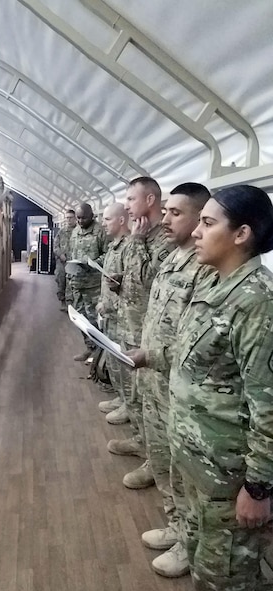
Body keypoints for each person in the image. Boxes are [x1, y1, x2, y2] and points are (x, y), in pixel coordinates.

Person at [128, 184, 273, 591]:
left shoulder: (256, 304)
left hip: (228, 478)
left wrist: (258, 488)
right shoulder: (214, 285)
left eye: (207, 223)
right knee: (202, 566)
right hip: (198, 462)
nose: (195, 231)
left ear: (241, 234)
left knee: (223, 577)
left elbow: (269, 406)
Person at [123, 182, 213, 579]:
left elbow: (197, 342)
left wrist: (152, 355)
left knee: (181, 468)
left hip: (178, 383)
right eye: (168, 211)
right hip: (156, 378)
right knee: (164, 461)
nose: (166, 219)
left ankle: (188, 539)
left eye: (176, 213)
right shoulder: (175, 258)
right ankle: (177, 526)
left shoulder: (205, 267)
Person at [116, 177, 176, 491]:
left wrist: (137, 243)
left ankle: (156, 463)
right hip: (136, 321)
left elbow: (148, 282)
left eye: (131, 198)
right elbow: (130, 275)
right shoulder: (142, 234)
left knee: (154, 402)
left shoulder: (163, 240)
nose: (126, 205)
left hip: (150, 332)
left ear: (150, 199)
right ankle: (144, 445)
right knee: (141, 395)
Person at [94, 203, 129, 417]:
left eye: (107, 219)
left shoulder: (128, 248)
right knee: (114, 361)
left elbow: (131, 287)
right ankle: (122, 397)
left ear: (121, 220)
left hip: (121, 317)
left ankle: (129, 407)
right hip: (109, 313)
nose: (103, 223)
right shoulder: (113, 246)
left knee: (124, 363)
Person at [66, 203, 106, 361]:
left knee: (95, 321)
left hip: (93, 286)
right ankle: (90, 348)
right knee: (81, 321)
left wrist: (93, 263)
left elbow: (108, 254)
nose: (80, 221)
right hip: (77, 283)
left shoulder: (100, 232)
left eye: (83, 218)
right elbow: (72, 252)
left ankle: (100, 357)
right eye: (78, 218)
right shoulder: (75, 231)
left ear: (92, 216)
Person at [54, 209, 76, 307]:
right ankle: (63, 301)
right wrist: (60, 254)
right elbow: (55, 246)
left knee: (72, 283)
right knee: (61, 280)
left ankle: (71, 303)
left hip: (73, 262)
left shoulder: (78, 231)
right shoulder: (61, 232)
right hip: (62, 262)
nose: (69, 220)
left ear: (75, 218)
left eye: (71, 218)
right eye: (67, 218)